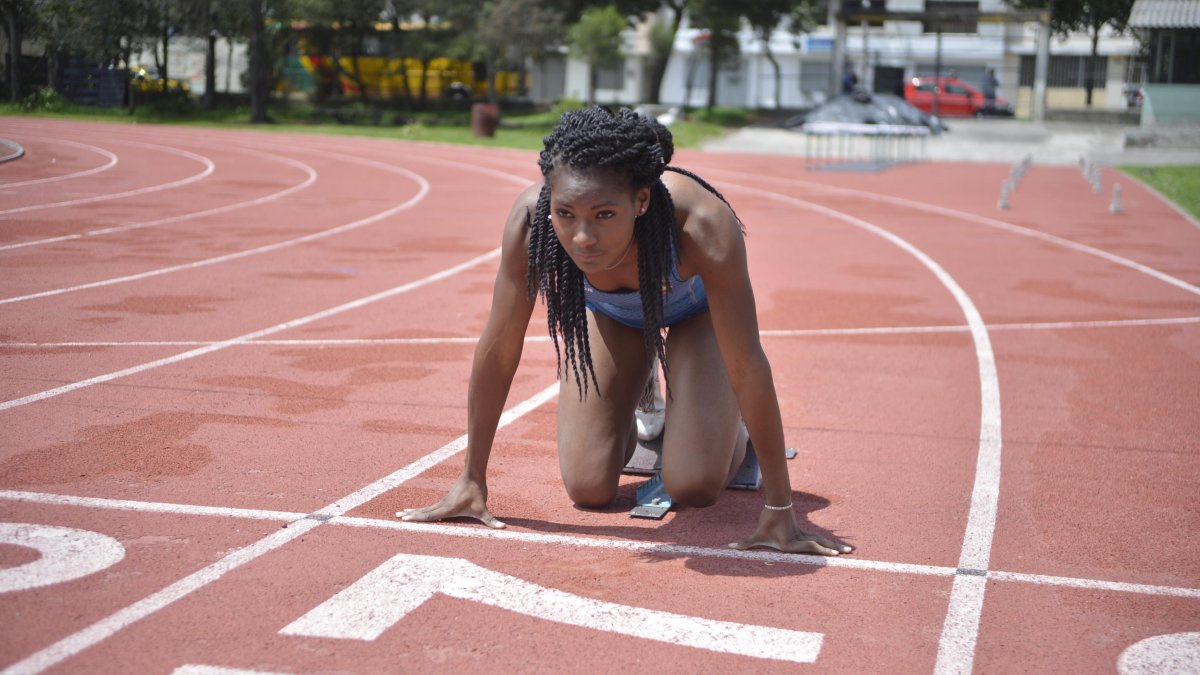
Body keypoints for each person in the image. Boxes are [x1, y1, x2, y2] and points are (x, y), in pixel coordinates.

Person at [399, 106, 852, 556]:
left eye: (604, 215)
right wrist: (472, 479)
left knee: (693, 484)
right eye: (565, 213)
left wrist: (780, 507)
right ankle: (642, 381)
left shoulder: (701, 223)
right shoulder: (532, 222)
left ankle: (733, 429)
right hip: (612, 316)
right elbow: (498, 350)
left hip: (697, 317)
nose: (582, 237)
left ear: (641, 201)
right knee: (588, 488)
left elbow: (747, 364)